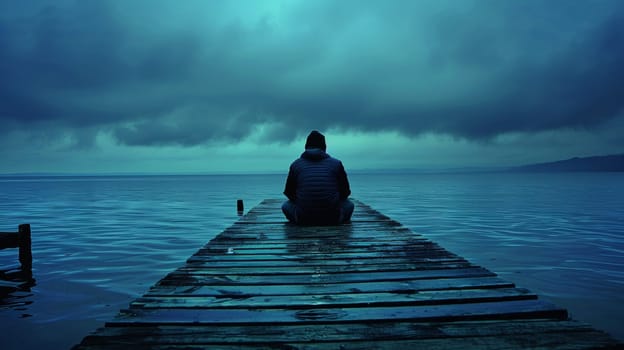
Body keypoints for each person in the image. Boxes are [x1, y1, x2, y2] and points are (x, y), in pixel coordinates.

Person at [282, 130, 354, 225]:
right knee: (350, 204)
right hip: (333, 218)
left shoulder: (296, 165)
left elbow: (289, 193)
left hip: (303, 219)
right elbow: (345, 192)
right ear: (324, 147)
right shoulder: (336, 164)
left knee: (285, 205)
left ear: (306, 147)